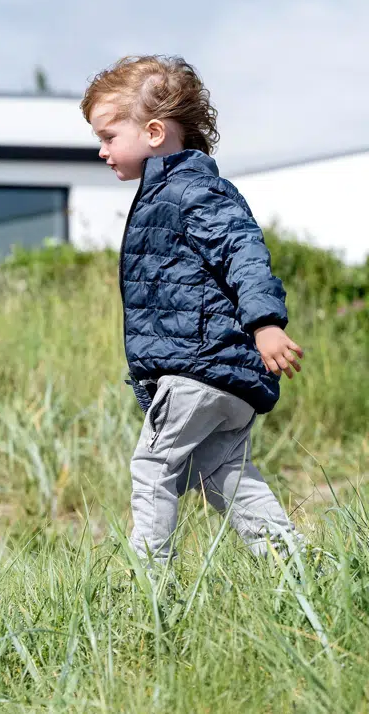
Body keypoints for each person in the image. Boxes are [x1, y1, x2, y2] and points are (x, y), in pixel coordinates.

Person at [83, 55, 305, 564]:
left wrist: (266, 323)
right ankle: (295, 569)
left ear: (155, 131)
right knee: (224, 474)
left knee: (152, 467)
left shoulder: (189, 191)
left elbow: (242, 250)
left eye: (110, 136)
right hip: (224, 378)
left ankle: (149, 585)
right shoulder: (174, 190)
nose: (102, 150)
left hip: (197, 371)